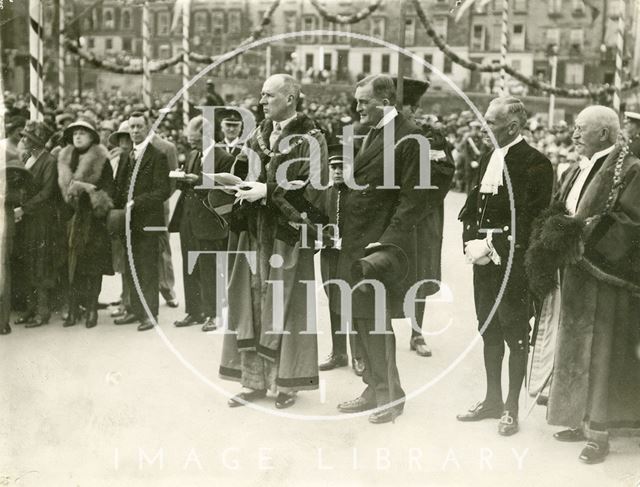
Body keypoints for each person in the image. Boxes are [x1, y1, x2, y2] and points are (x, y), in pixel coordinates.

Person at [527, 105, 640, 464]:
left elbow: (630, 222)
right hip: (573, 271)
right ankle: (577, 417)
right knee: (573, 347)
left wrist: (582, 239)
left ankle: (599, 432)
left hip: (603, 273)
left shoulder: (632, 169)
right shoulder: (576, 167)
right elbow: (562, 210)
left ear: (604, 134)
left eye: (581, 128)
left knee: (602, 353)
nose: (574, 134)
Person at [219, 73, 328, 410]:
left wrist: (269, 191)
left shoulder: (313, 139)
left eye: (268, 96)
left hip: (286, 234)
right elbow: (243, 171)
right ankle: (252, 381)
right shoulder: (257, 136)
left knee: (286, 304)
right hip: (254, 231)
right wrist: (236, 187)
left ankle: (286, 384)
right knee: (250, 303)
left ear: (290, 98)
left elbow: (315, 191)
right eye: (262, 96)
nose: (262, 101)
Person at [334, 74, 431, 424]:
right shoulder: (375, 132)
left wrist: (386, 241)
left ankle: (391, 395)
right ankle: (372, 387)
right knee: (361, 317)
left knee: (376, 321)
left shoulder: (410, 137)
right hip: (356, 240)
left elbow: (413, 201)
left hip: (379, 246)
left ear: (385, 102)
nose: (357, 107)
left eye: (363, 102)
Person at [456, 96, 553, 436]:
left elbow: (531, 220)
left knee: (515, 334)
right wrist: (470, 243)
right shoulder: (487, 157)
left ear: (511, 126)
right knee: (488, 328)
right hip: (483, 260)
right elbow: (473, 206)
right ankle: (492, 399)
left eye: (490, 122)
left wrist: (494, 245)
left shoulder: (536, 163)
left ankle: (511, 407)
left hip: (513, 263)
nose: (484, 128)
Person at [112, 112, 170, 331]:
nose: (135, 131)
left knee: (147, 267)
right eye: (132, 127)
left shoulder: (157, 156)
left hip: (147, 221)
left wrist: (136, 202)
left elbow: (163, 190)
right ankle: (136, 311)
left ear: (148, 129)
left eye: (139, 127)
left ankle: (150, 314)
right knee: (131, 266)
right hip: (129, 222)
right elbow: (120, 186)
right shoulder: (128, 155)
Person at [169, 116, 229, 332]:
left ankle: (214, 314)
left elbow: (226, 190)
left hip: (210, 223)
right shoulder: (195, 154)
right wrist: (182, 178)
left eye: (194, 140)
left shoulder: (223, 157)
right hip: (189, 220)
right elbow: (190, 182)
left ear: (207, 135)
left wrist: (198, 181)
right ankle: (195, 311)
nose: (191, 143)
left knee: (210, 269)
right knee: (190, 267)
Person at [57, 117, 115, 329]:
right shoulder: (64, 158)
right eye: (75, 133)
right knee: (71, 267)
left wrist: (90, 190)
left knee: (92, 267)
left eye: (83, 133)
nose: (78, 136)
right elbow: (59, 193)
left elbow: (110, 191)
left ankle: (91, 309)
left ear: (92, 137)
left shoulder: (101, 160)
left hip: (92, 221)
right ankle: (73, 308)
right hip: (70, 220)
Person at [318, 144, 364, 376]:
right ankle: (339, 352)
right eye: (333, 167)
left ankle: (359, 355)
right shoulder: (325, 192)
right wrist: (323, 239)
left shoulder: (358, 193)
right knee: (333, 298)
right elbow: (316, 221)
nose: (337, 171)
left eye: (342, 167)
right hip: (329, 255)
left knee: (352, 300)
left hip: (351, 255)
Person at [12, 122, 61, 327]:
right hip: (27, 219)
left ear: (36, 141)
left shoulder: (48, 161)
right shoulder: (26, 158)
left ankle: (43, 310)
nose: (22, 140)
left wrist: (25, 208)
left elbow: (47, 193)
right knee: (28, 262)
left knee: (41, 263)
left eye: (26, 137)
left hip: (42, 219)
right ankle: (30, 307)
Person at [150, 127, 180, 309]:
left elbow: (173, 180)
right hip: (138, 206)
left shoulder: (166, 147)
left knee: (162, 247)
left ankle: (167, 289)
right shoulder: (130, 143)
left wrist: (159, 200)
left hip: (159, 206)